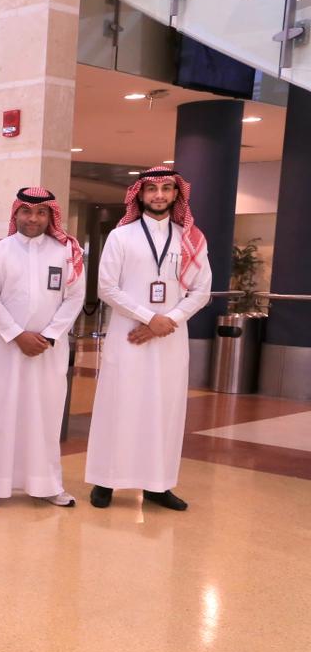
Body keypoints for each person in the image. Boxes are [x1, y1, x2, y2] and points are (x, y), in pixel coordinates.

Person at [85, 167, 211, 510]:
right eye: (152, 189)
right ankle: (105, 481)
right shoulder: (121, 237)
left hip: (170, 337)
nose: (159, 195)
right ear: (139, 194)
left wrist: (168, 320)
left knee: (165, 409)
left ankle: (158, 484)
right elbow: (106, 287)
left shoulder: (191, 239)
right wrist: (149, 318)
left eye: (166, 188)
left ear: (176, 194)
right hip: (128, 336)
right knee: (119, 405)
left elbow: (201, 291)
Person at [0, 188, 85, 508]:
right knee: (0, 414)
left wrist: (49, 335)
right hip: (6, 348)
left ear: (50, 216)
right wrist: (17, 335)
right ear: (16, 214)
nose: (33, 218)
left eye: (40, 213)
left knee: (45, 416)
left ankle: (46, 485)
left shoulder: (66, 253)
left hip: (48, 351)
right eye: (26, 211)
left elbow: (75, 298)